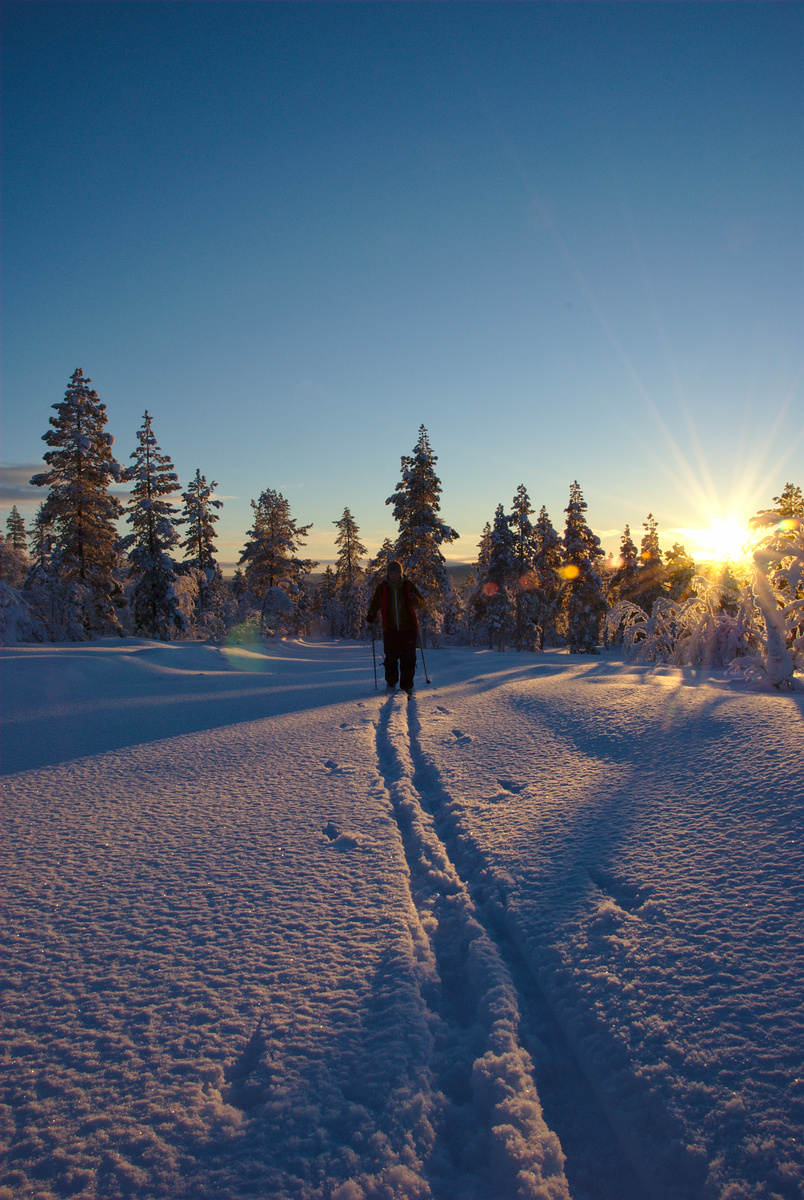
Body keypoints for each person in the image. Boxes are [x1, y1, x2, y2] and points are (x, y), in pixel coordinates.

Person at [366, 560, 424, 695]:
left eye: (396, 572)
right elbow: (375, 603)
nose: (393, 575)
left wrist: (416, 601)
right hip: (390, 629)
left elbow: (422, 602)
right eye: (391, 572)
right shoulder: (382, 587)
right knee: (390, 658)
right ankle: (391, 683)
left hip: (408, 629)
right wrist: (372, 614)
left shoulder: (408, 585)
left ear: (400, 573)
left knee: (408, 659)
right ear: (388, 573)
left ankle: (407, 685)